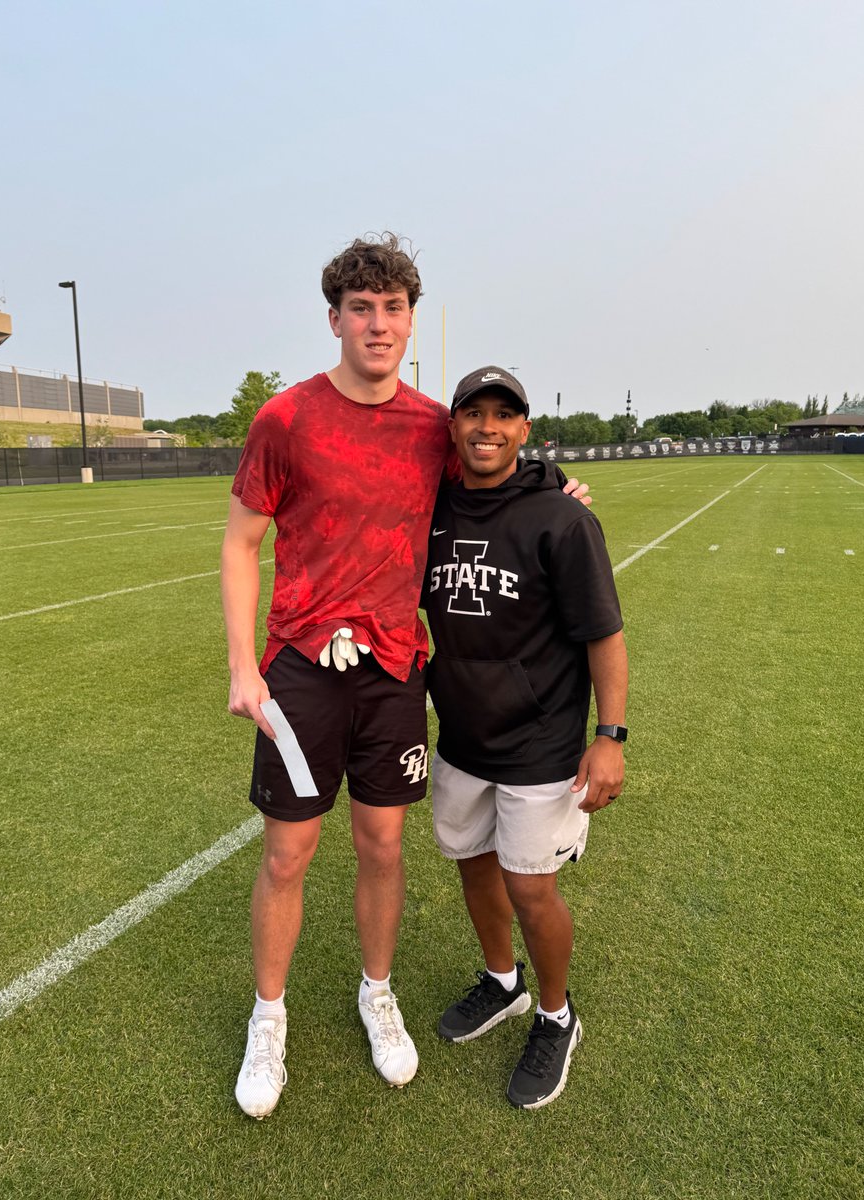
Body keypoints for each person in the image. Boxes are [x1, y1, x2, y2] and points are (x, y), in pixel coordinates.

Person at [221, 235, 589, 1119]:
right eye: (361, 309)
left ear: (411, 320)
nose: (377, 325)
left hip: (394, 670)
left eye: (392, 309)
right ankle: (267, 1018)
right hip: (304, 670)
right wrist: (244, 667)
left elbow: (492, 466)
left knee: (383, 846)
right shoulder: (287, 419)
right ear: (335, 320)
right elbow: (241, 541)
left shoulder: (432, 423)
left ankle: (374, 992)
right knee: (288, 852)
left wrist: (559, 485)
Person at [423, 366, 628, 1110]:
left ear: (525, 430)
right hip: (462, 733)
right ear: (453, 428)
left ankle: (554, 1015)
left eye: (503, 416)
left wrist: (609, 735)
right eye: (472, 414)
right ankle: (502, 980)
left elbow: (604, 633)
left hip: (540, 741)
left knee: (531, 887)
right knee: (474, 867)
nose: (487, 427)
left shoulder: (561, 517)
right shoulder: (433, 505)